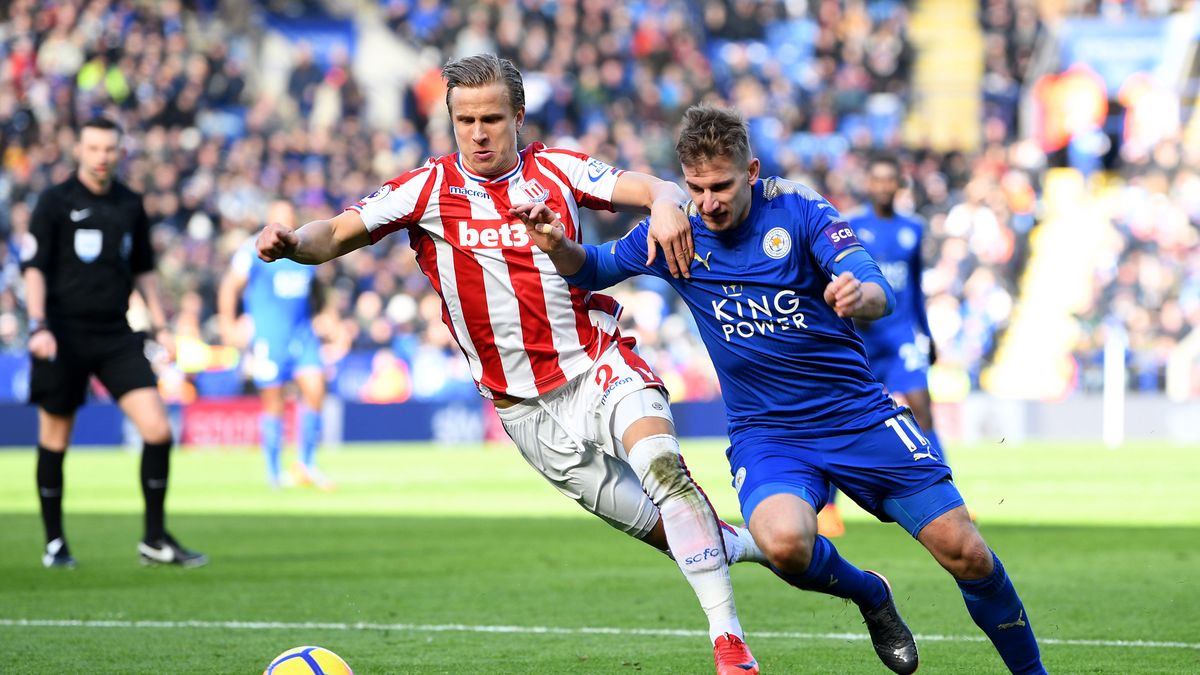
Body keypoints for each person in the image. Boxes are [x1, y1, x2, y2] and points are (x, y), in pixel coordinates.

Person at [255, 54, 760, 674]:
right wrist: (289, 243)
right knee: (672, 531)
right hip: (522, 410)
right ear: (450, 120)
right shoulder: (426, 189)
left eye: (492, 117)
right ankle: (781, 552)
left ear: (518, 117)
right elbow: (334, 233)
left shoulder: (559, 169)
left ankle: (729, 643)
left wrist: (664, 202)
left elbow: (654, 186)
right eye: (465, 120)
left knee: (664, 470)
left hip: (596, 365)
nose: (479, 132)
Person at [517, 105, 1046, 675]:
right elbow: (592, 268)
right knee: (783, 546)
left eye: (721, 186)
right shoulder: (675, 229)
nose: (709, 201)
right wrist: (554, 244)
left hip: (856, 415)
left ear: (751, 171)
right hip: (769, 434)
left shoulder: (798, 210)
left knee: (965, 552)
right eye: (696, 188)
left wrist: (856, 295)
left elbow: (876, 289)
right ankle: (871, 594)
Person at [20, 117, 206, 569]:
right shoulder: (54, 201)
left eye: (109, 149)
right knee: (55, 439)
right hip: (62, 334)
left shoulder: (129, 204)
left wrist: (160, 326)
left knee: (158, 431)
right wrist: (38, 325)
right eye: (94, 148)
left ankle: (154, 539)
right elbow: (35, 268)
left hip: (115, 333)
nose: (102, 156)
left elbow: (143, 269)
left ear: (120, 152)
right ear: (79, 150)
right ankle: (55, 543)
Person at [818, 154, 941, 538]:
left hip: (901, 334)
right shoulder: (848, 225)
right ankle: (829, 510)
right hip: (862, 339)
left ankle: (943, 499)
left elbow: (916, 288)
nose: (884, 187)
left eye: (891, 180)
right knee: (844, 416)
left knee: (923, 410)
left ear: (899, 184)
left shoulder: (913, 229)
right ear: (868, 184)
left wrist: (927, 332)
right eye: (878, 180)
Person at [218, 199, 332, 490]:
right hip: (270, 336)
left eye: (289, 217)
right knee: (273, 402)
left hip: (302, 334)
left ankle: (306, 464)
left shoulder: (302, 248)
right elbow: (230, 286)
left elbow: (317, 293)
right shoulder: (251, 249)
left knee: (316, 389)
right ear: (268, 220)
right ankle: (273, 472)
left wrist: (328, 319)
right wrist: (229, 325)